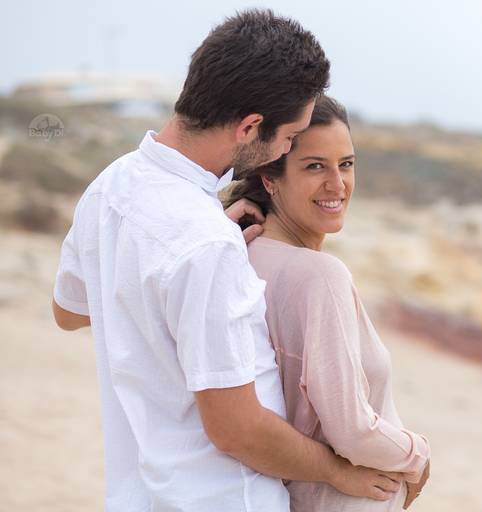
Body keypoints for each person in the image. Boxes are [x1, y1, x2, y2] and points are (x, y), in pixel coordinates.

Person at [51, 10, 402, 511]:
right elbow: (238, 430)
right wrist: (338, 472)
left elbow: (70, 312)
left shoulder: (111, 187)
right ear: (250, 126)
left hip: (137, 495)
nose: (286, 146)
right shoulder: (207, 243)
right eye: (289, 136)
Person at [226, 95, 431, 511]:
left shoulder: (238, 254)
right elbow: (351, 430)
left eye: (347, 164)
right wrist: (418, 455)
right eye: (315, 166)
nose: (337, 184)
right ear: (270, 176)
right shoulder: (320, 275)